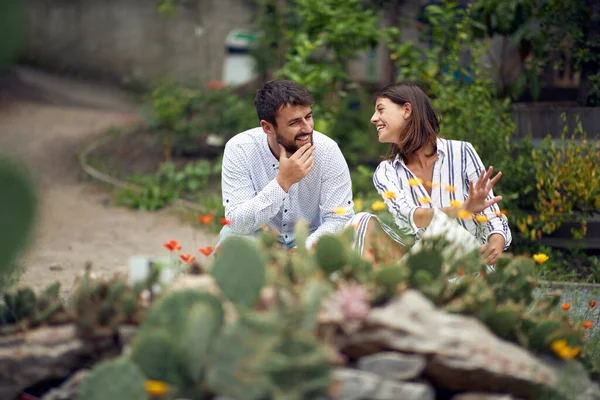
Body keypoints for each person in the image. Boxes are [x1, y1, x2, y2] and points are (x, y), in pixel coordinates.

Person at [370, 82, 512, 266]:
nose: (374, 118)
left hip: (472, 266)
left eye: (380, 110)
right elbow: (408, 216)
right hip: (426, 270)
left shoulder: (462, 152)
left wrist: (495, 245)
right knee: (363, 220)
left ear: (406, 110)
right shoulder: (386, 172)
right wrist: (460, 210)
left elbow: (491, 214)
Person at [218, 79, 361, 251]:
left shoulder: (327, 150)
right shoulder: (240, 149)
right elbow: (237, 223)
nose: (307, 128)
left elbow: (340, 218)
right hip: (260, 240)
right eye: (295, 122)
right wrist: (282, 183)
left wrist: (301, 250)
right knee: (229, 239)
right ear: (267, 127)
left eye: (308, 117)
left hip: (311, 241)